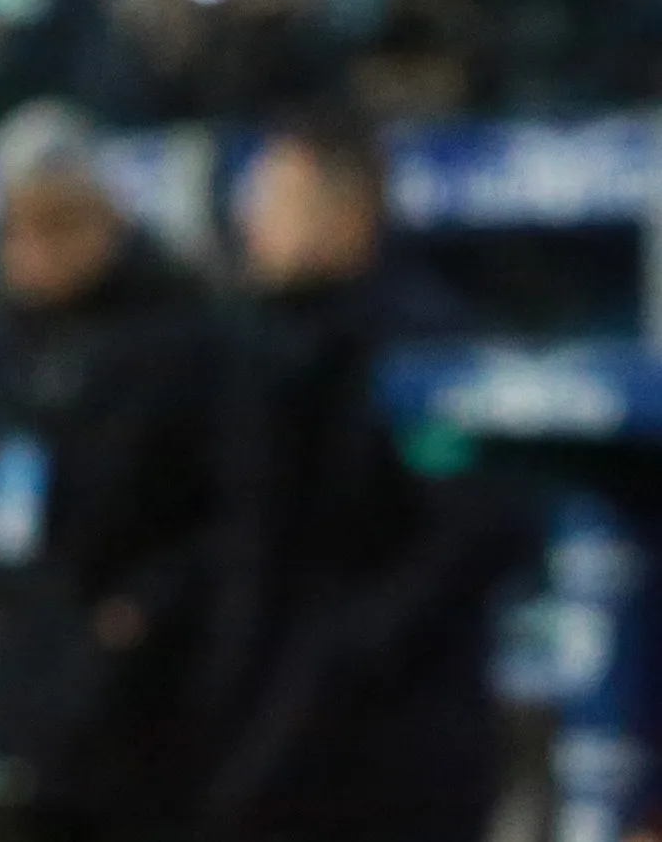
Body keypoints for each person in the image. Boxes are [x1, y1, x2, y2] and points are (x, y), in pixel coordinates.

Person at [193, 110, 521, 842]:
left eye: (277, 202)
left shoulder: (424, 353)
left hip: (390, 756)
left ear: (348, 214)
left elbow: (470, 524)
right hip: (282, 742)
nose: (254, 224)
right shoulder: (262, 346)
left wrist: (349, 655)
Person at [0, 103, 221, 842]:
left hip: (144, 701)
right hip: (32, 678)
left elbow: (224, 512)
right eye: (15, 227)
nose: (28, 251)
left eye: (53, 225)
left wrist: (141, 610)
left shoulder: (179, 336)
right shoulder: (18, 341)